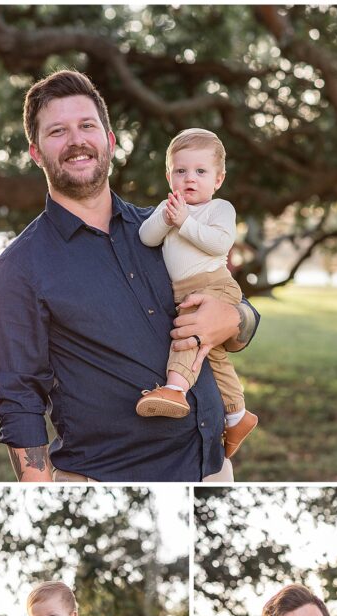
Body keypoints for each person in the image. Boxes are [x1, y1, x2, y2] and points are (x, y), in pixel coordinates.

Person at [0, 69, 259, 483]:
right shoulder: (18, 269)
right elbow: (18, 396)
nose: (77, 140)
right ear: (36, 153)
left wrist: (235, 318)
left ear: (110, 141)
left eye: (88, 125)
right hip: (108, 480)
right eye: (57, 131)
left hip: (211, 470)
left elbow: (239, 309)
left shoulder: (163, 227)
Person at [136, 128, 257, 459]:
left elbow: (220, 243)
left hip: (214, 284)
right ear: (168, 175)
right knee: (214, 356)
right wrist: (167, 216)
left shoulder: (219, 209)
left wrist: (185, 222)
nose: (190, 179)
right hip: (184, 290)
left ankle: (175, 389)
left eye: (200, 172)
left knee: (190, 332)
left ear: (218, 180)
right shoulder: (169, 207)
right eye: (181, 171)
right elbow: (147, 238)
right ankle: (237, 414)